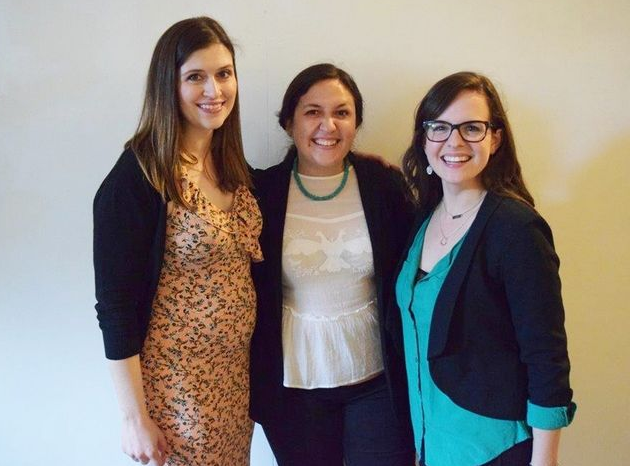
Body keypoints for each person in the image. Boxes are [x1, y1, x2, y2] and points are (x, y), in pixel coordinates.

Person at [93, 17, 262, 466]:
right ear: (168, 86)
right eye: (195, 77)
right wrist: (134, 419)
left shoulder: (229, 166)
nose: (215, 90)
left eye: (224, 73)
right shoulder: (138, 177)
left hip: (232, 381)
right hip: (178, 388)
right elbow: (115, 306)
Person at [396, 71, 576, 466]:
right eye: (439, 127)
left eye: (471, 128)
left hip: (494, 449)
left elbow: (546, 355)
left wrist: (544, 461)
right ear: (423, 139)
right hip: (431, 445)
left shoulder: (516, 229)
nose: (454, 142)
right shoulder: (424, 219)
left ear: (494, 139)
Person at [249, 63, 416, 466]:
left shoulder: (382, 184)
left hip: (379, 383)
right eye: (313, 112)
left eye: (342, 112)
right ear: (289, 122)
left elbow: (416, 267)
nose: (329, 125)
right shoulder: (262, 192)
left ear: (356, 121)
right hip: (293, 389)